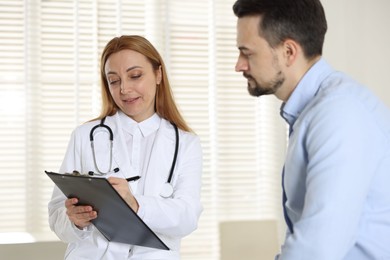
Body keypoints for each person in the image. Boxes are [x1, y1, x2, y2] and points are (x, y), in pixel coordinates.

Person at [233, 0, 390, 259]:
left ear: (288, 52)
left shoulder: (338, 114)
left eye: (247, 53)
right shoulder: (315, 111)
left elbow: (317, 249)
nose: (238, 65)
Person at [48, 35, 203, 259]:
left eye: (135, 76)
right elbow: (56, 215)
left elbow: (187, 218)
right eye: (114, 80)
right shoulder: (85, 136)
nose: (124, 89)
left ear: (158, 74)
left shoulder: (186, 144)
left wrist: (137, 204)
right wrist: (73, 219)